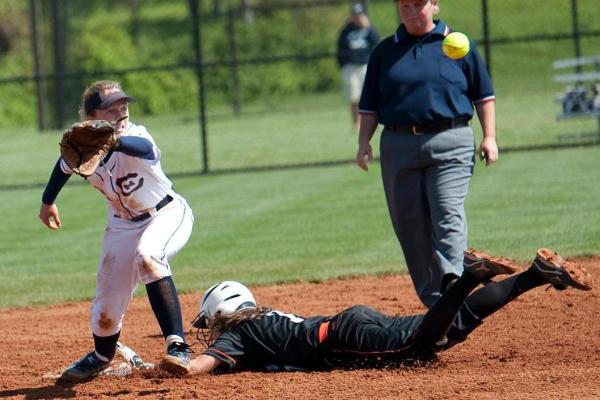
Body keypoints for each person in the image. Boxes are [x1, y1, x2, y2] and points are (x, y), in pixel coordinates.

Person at [188, 249, 592, 374]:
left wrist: (163, 364)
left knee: (421, 345)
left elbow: (193, 370)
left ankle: (469, 276)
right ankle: (537, 275)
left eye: (210, 320)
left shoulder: (236, 335)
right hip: (352, 321)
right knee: (455, 325)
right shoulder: (261, 319)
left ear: (221, 312)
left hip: (345, 339)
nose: (211, 330)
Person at [39, 80, 195, 382]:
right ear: (91, 116)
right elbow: (62, 167)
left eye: (123, 104)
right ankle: (100, 357)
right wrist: (47, 203)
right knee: (105, 310)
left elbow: (146, 149)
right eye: (112, 108)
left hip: (165, 213)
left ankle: (177, 345)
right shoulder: (84, 146)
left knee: (148, 256)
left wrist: (113, 141)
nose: (122, 110)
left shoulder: (135, 135)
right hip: (121, 225)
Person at [355, 0, 498, 308]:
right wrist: (363, 141)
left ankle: (452, 277)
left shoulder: (458, 45)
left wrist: (489, 137)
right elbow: (369, 105)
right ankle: (437, 303)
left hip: (452, 139)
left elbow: (483, 96)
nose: (410, 10)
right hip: (398, 144)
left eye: (418, 4)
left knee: (446, 210)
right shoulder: (384, 52)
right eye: (404, 5)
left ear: (434, 4)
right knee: (410, 224)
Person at [336, 3, 380, 132]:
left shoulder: (369, 28)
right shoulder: (346, 30)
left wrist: (369, 27)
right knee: (353, 96)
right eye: (355, 15)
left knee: (371, 96)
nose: (357, 17)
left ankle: (374, 122)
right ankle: (357, 123)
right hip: (351, 66)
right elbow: (340, 48)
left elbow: (377, 43)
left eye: (359, 14)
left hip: (367, 65)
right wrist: (343, 64)